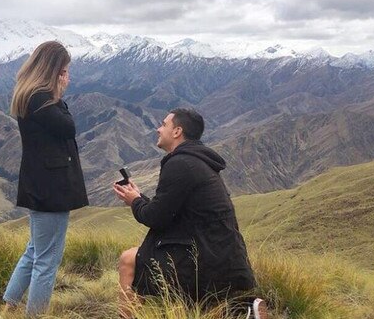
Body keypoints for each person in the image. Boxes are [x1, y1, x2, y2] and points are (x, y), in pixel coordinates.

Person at [113, 108, 268, 319]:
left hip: (205, 260)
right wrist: (138, 198)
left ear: (177, 131)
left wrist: (135, 201)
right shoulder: (198, 161)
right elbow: (168, 211)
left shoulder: (180, 164)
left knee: (128, 259)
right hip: (225, 257)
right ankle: (242, 312)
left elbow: (155, 218)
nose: (158, 129)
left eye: (163, 124)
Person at [2, 41, 89, 316]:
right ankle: (35, 314)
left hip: (41, 185)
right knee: (47, 260)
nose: (67, 77)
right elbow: (68, 128)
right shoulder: (41, 98)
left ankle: (10, 305)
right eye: (64, 71)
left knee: (35, 250)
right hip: (51, 190)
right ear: (52, 71)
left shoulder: (30, 95)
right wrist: (59, 95)